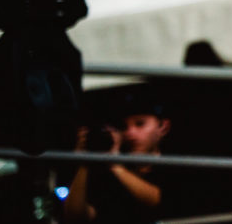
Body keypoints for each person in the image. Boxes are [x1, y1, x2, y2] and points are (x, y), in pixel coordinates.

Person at [64, 91, 173, 223]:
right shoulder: (106, 171)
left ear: (164, 127)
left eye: (140, 124)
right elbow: (76, 217)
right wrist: (83, 165)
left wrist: (115, 165)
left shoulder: (175, 164)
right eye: (124, 127)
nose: (130, 133)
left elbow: (158, 201)